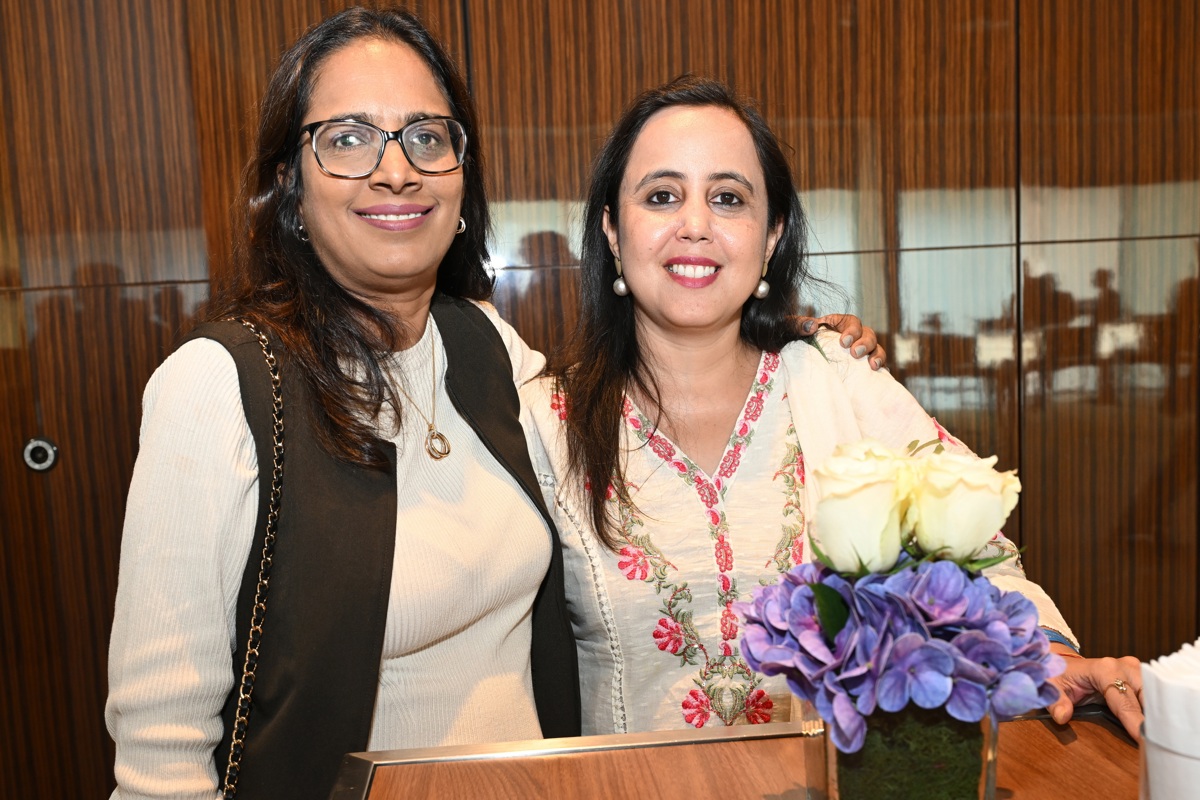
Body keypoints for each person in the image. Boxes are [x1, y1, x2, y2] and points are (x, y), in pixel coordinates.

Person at [104, 10, 883, 800]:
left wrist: (789, 342)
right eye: (347, 138)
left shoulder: (482, 345)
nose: (396, 170)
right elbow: (160, 755)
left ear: (460, 176)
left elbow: (642, 390)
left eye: (426, 137)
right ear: (288, 185)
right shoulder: (219, 386)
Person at [520, 76, 1144, 740]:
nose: (695, 225)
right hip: (627, 783)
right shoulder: (545, 419)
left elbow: (977, 553)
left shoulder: (839, 378)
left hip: (828, 779)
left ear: (771, 235)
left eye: (728, 198)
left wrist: (1050, 655)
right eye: (662, 196)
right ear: (613, 231)